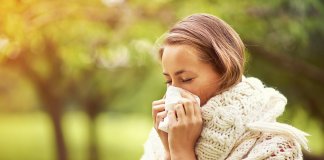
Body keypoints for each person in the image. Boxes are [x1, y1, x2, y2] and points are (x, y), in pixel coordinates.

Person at [141, 13, 309, 160]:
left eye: (186, 79)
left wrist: (182, 153)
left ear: (225, 72)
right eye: (169, 81)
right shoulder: (161, 139)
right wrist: (169, 151)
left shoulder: (275, 147)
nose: (174, 92)